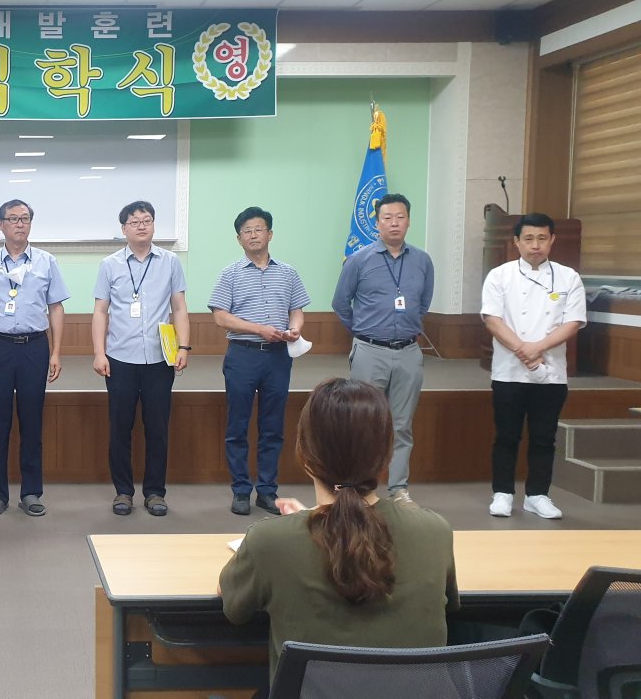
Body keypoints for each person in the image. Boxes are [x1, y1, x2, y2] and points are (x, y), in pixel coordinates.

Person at [219, 378, 460, 686]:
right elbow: (450, 607)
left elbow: (233, 605)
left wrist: (301, 523)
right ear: (387, 457)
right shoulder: (435, 532)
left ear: (304, 455)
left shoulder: (268, 542)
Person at [0, 199, 70, 518]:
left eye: (25, 218)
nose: (19, 224)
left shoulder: (46, 262)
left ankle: (31, 492)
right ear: (1, 225)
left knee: (32, 421)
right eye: (13, 219)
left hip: (34, 347)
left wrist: (56, 351)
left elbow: (56, 308)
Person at [481, 213, 586, 520]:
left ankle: (538, 495)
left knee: (544, 437)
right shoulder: (499, 275)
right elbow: (492, 320)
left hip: (550, 372)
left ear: (552, 240)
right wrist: (523, 349)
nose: (535, 245)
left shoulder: (568, 277)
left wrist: (537, 348)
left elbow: (573, 322)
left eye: (542, 238)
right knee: (506, 435)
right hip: (509, 371)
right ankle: (502, 493)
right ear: (516, 242)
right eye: (528, 238)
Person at [331, 193, 434, 505]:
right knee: (363, 422)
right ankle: (359, 487)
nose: (394, 223)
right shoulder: (359, 260)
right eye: (387, 218)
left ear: (409, 221)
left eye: (400, 217)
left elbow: (423, 303)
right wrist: (364, 331)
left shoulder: (422, 261)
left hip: (408, 352)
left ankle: (398, 488)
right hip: (369, 351)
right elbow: (340, 303)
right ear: (377, 223)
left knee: (401, 425)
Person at [209, 207, 310, 517]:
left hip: (278, 357)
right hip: (242, 355)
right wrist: (258, 329)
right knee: (237, 426)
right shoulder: (230, 273)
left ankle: (267, 491)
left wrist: (295, 328)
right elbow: (220, 317)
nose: (253, 235)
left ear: (270, 234)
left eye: (259, 229)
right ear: (239, 239)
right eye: (247, 231)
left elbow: (297, 309)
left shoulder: (288, 273)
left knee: (273, 427)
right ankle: (241, 490)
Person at [92, 200, 191, 517]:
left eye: (147, 220)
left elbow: (179, 307)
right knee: (119, 428)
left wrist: (184, 348)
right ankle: (123, 491)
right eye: (134, 222)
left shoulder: (170, 261)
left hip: (160, 360)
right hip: (119, 359)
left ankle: (155, 492)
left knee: (157, 429)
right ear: (124, 229)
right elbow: (100, 311)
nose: (141, 226)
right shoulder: (109, 265)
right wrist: (99, 353)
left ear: (153, 225)